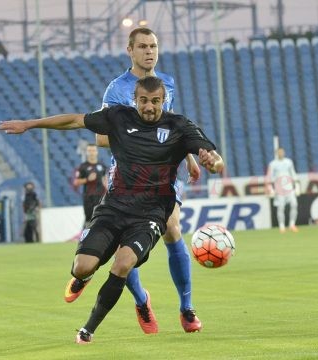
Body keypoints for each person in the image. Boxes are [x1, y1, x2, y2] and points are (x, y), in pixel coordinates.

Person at [0, 76, 224, 344]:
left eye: (155, 101)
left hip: (151, 214)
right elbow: (74, 120)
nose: (149, 107)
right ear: (134, 100)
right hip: (113, 208)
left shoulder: (179, 126)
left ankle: (88, 329)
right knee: (81, 267)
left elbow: (215, 161)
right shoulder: (118, 117)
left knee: (123, 263)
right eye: (143, 101)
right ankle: (85, 276)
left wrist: (212, 163)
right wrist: (30, 124)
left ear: (164, 101)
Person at [87, 27, 204, 334]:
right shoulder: (116, 90)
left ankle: (186, 307)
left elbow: (173, 123)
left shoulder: (167, 82)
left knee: (173, 228)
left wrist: (189, 156)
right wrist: (138, 141)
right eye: (142, 46)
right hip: (129, 177)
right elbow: (101, 137)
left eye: (153, 45)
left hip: (163, 173)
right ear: (130, 50)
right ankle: (141, 300)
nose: (149, 51)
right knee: (123, 243)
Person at [266, 148, 300, 233]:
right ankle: (282, 226)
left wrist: (296, 186)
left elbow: (293, 173)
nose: (281, 153)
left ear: (284, 153)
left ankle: (292, 224)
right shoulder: (272, 164)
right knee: (281, 207)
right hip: (279, 188)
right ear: (276, 153)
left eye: (282, 152)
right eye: (279, 152)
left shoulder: (289, 162)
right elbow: (270, 176)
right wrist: (271, 189)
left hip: (289, 187)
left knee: (294, 204)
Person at [73, 144, 107, 227]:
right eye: (89, 151)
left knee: (100, 218)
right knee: (88, 219)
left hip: (100, 196)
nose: (92, 153)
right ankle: (85, 237)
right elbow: (76, 182)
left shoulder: (102, 166)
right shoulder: (83, 166)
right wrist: (87, 179)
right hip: (88, 197)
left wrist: (108, 191)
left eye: (93, 150)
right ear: (87, 152)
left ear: (97, 152)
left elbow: (105, 181)